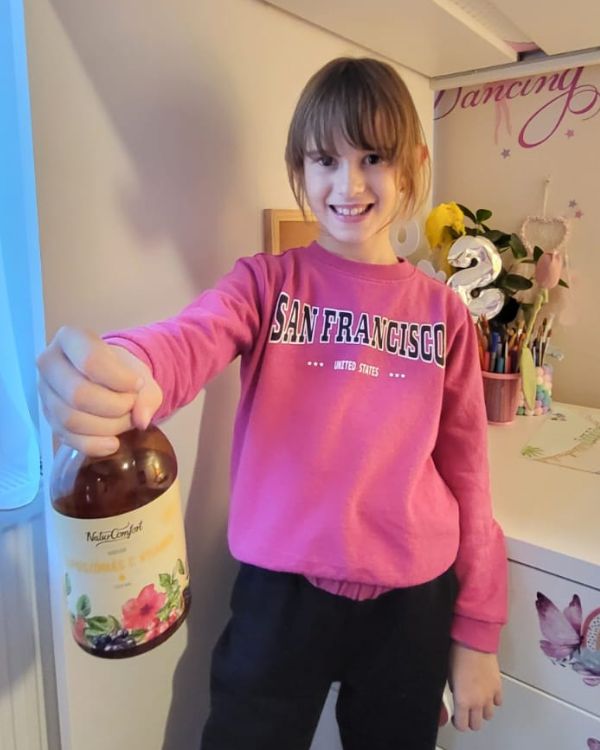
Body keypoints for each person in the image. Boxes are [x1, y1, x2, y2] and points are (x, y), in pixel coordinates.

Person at [37, 57, 507, 749]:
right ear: (299, 168)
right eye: (325, 160)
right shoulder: (265, 285)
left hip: (411, 604)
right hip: (280, 596)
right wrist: (129, 368)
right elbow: (190, 337)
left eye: (372, 158)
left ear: (413, 164)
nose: (348, 184)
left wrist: (477, 634)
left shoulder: (445, 315)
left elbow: (469, 478)